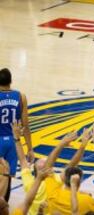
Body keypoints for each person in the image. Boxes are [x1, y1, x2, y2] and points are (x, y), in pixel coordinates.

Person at [12, 121, 91, 215]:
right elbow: (23, 160)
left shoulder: (37, 181)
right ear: (35, 168)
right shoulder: (52, 180)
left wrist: (17, 139)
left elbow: (72, 165)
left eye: (46, 160)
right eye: (42, 160)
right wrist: (81, 146)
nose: (44, 160)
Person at [42, 129, 94, 214]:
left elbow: (47, 167)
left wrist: (60, 144)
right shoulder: (88, 200)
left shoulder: (53, 194)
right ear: (80, 180)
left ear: (64, 179)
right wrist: (83, 145)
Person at [0, 68, 34, 201]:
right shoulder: (21, 96)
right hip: (13, 142)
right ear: (11, 81)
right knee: (8, 177)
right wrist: (30, 148)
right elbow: (25, 126)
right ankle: (4, 207)